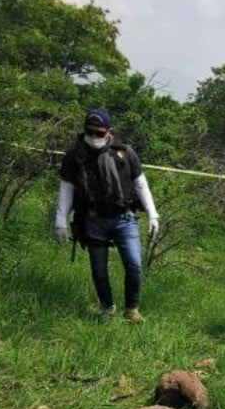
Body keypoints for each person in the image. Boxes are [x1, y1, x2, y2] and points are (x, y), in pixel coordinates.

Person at [53, 108, 160, 323]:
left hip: (124, 217)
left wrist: (153, 214)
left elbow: (140, 184)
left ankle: (132, 309)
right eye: (90, 132)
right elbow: (67, 187)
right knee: (99, 269)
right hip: (93, 219)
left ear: (109, 131)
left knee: (134, 265)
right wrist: (60, 220)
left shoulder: (125, 153)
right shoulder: (75, 154)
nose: (94, 137)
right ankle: (107, 308)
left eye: (99, 133)